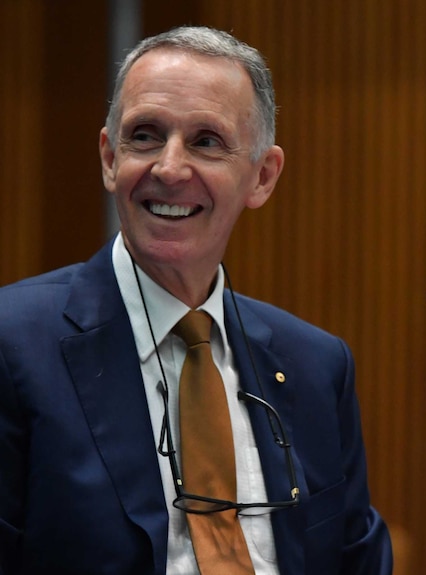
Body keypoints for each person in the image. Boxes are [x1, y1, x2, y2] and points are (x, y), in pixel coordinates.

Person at [0, 26, 392, 574]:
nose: (169, 168)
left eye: (206, 141)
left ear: (262, 177)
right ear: (110, 159)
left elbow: (356, 559)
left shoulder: (316, 365)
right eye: (145, 136)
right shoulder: (15, 344)